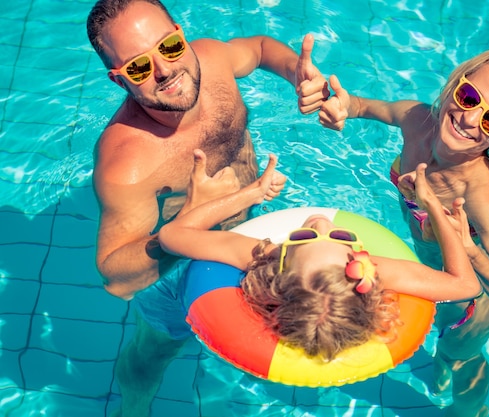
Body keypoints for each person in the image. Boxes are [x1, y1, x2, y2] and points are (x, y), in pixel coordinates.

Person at [86, 0, 328, 415]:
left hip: (250, 225)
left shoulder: (211, 60)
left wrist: (296, 73)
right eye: (139, 67)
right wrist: (187, 222)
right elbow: (115, 278)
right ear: (119, 80)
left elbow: (260, 46)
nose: (164, 70)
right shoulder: (127, 164)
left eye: (169, 46)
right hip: (176, 267)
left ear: (181, 34)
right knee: (154, 355)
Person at [316, 46, 489, 416]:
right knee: (434, 356)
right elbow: (361, 105)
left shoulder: (482, 196)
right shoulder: (418, 120)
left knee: (458, 359)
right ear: (457, 84)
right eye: (469, 97)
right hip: (429, 276)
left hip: (469, 305)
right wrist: (342, 107)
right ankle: (437, 375)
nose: (469, 119)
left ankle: (470, 412)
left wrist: (469, 251)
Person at [159, 150, 482, 362]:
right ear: (359, 258)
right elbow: (465, 285)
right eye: (341, 237)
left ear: (281, 262)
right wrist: (434, 211)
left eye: (304, 236)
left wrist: (252, 194)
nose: (322, 223)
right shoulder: (372, 271)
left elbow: (171, 236)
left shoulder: (265, 256)